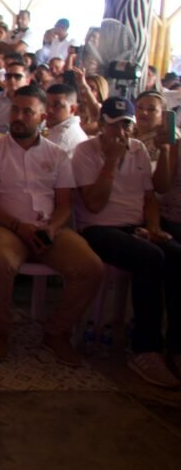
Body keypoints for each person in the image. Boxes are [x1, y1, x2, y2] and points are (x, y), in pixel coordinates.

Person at [0, 85, 103, 365]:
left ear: (43, 116)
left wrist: (52, 229)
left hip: (48, 229)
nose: (19, 116)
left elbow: (65, 204)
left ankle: (57, 332)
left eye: (28, 112)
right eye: (15, 110)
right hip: (3, 228)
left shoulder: (57, 155)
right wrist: (19, 227)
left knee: (91, 267)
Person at [73, 97, 181, 388]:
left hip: (135, 228)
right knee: (151, 258)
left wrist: (155, 228)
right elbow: (93, 205)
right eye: (113, 126)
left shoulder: (140, 150)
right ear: (102, 126)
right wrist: (110, 161)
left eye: (125, 126)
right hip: (98, 229)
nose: (119, 133)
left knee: (175, 254)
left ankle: (176, 346)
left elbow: (150, 198)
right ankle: (145, 349)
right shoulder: (85, 152)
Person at [44, 83, 88, 156]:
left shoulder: (65, 138)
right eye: (46, 104)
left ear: (72, 109)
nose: (49, 110)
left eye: (57, 105)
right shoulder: (52, 126)